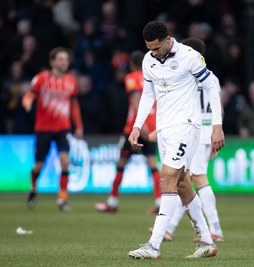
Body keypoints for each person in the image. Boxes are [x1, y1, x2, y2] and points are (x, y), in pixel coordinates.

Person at [127, 21, 224, 259]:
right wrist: (137, 126)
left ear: (168, 40)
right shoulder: (149, 60)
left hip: (187, 127)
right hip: (164, 129)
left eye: (157, 48)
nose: (153, 53)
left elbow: (211, 86)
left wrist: (217, 126)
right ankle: (206, 241)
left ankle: (153, 245)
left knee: (168, 178)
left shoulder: (189, 56)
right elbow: (148, 94)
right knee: (182, 184)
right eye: (149, 48)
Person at [148, 37, 224, 243]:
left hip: (192, 129)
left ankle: (214, 228)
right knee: (183, 180)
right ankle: (173, 228)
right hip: (197, 129)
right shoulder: (212, 77)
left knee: (196, 178)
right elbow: (218, 104)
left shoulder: (187, 73)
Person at [94, 50, 161, 214]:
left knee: (121, 163)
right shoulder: (155, 77)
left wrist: (141, 124)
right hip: (153, 126)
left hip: (134, 128)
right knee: (152, 164)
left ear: (131, 63)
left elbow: (136, 98)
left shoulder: (131, 78)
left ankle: (112, 202)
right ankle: (160, 202)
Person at [22, 47, 84, 211]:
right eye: (61, 59)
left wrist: (78, 126)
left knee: (65, 162)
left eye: (66, 60)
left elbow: (74, 105)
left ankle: (62, 199)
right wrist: (27, 103)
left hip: (63, 128)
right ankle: (33, 188)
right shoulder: (41, 79)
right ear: (52, 62)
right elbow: (30, 95)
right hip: (43, 129)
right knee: (38, 166)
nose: (65, 63)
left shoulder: (71, 81)